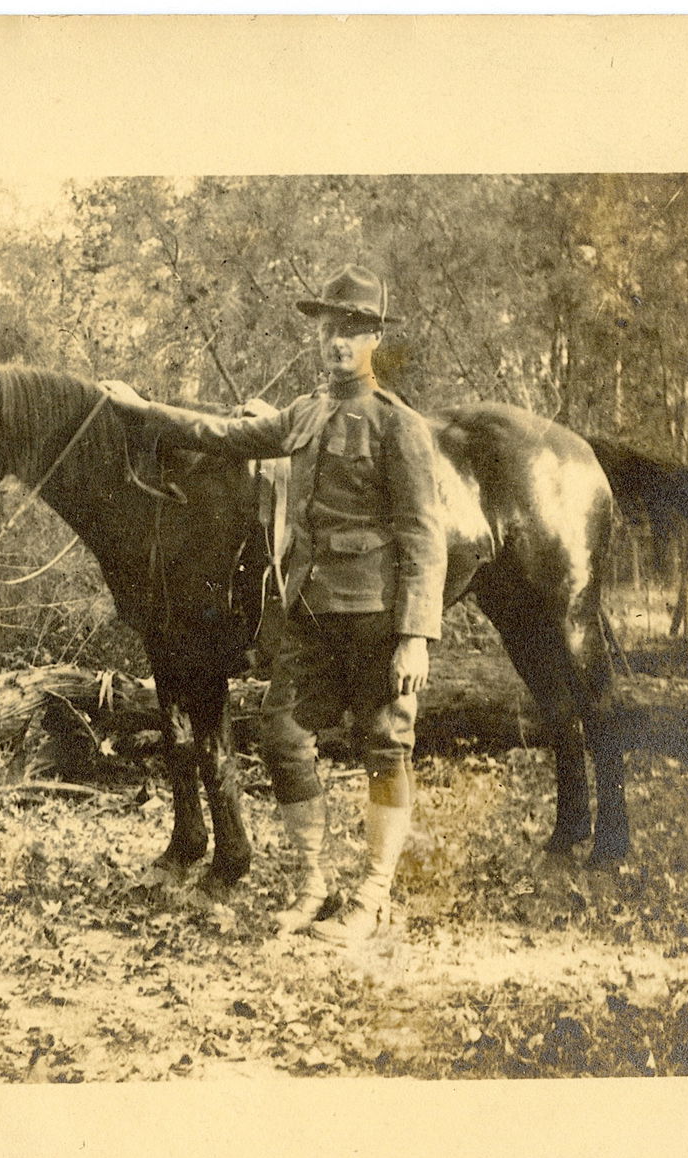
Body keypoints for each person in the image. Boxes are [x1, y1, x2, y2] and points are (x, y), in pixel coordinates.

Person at [102, 265, 446, 944]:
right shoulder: (305, 412)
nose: (336, 340)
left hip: (377, 614)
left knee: (384, 744)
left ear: (374, 336)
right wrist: (144, 412)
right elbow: (219, 436)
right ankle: (314, 886)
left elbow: (423, 532)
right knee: (282, 737)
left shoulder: (396, 424)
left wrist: (415, 635)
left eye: (351, 328)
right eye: (328, 326)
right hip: (309, 611)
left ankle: (371, 896)